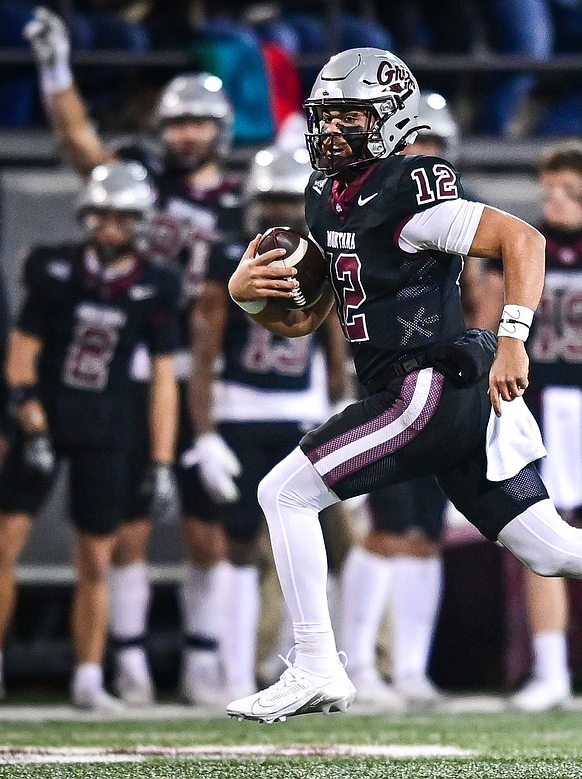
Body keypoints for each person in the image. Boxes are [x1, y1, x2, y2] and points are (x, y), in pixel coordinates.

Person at [223, 46, 582, 725]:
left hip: (427, 387)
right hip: (431, 394)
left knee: (284, 491)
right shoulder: (324, 196)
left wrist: (513, 335)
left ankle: (315, 663)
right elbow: (314, 316)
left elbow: (524, 240)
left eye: (352, 117)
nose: (333, 131)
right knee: (549, 545)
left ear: (391, 121)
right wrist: (246, 295)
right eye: (326, 116)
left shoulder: (408, 187)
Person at [23, 6, 243, 704]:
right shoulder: (140, 178)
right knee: (127, 531)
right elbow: (80, 146)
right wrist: (57, 73)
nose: (184, 133)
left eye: (197, 121)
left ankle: (208, 660)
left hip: (201, 376)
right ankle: (128, 662)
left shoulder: (245, 202)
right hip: (132, 369)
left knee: (210, 532)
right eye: (175, 120)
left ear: (221, 128)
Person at [0, 161, 181, 711]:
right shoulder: (53, 267)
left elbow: (165, 377)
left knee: (96, 559)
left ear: (140, 223)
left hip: (109, 423)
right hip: (47, 414)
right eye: (100, 215)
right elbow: (23, 353)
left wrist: (163, 458)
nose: (108, 228)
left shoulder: (157, 283)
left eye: (120, 218)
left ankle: (87, 676)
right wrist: (30, 417)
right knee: (4, 545)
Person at [480, 142, 582, 712]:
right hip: (531, 404)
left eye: (565, 187)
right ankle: (550, 669)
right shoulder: (524, 247)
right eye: (547, 186)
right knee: (537, 534)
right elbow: (484, 328)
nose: (553, 197)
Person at [185, 145, 349, 703]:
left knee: (316, 545)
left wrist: (337, 405)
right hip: (240, 412)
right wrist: (204, 432)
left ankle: (300, 665)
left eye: (289, 197)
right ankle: (233, 672)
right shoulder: (229, 254)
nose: (280, 209)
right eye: (271, 198)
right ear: (254, 201)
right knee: (235, 546)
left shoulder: (322, 249)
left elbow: (333, 336)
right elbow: (204, 350)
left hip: (301, 415)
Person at [338, 92, 464, 708]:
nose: (426, 161)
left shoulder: (456, 216)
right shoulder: (370, 210)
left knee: (423, 534)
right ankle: (356, 661)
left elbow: (484, 297)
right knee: (384, 531)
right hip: (387, 386)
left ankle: (410, 667)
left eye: (435, 149)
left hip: (442, 386)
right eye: (418, 146)